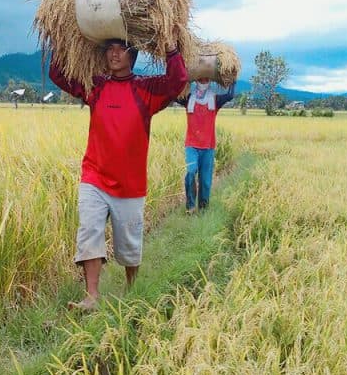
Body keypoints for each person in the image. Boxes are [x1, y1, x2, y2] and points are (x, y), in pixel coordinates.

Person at [49, 39, 187, 311]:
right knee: (89, 231)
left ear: (132, 55)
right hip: (94, 177)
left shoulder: (147, 90)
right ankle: (92, 296)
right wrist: (59, 39)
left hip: (129, 184)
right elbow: (58, 75)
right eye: (110, 48)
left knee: (129, 245)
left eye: (120, 48)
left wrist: (171, 48)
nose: (114, 53)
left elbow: (177, 80)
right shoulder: (95, 86)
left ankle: (132, 288)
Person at [176, 78, 235, 212]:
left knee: (205, 181)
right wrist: (185, 80)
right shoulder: (188, 98)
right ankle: (190, 207)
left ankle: (203, 209)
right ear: (196, 81)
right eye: (201, 78)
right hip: (191, 145)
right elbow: (173, 94)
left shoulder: (214, 100)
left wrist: (233, 78)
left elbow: (230, 95)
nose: (203, 81)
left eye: (206, 78)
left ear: (210, 80)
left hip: (208, 146)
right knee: (190, 172)